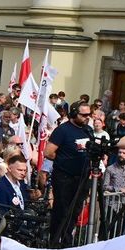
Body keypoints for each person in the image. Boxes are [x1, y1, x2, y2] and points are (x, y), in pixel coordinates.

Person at [45, 102, 94, 242]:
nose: (87, 117)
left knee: (75, 211)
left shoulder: (88, 130)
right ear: (73, 114)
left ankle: (67, 240)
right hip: (64, 178)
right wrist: (64, 160)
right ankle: (55, 241)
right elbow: (48, 152)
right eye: (83, 114)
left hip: (82, 178)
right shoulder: (62, 130)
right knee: (62, 211)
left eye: (89, 114)